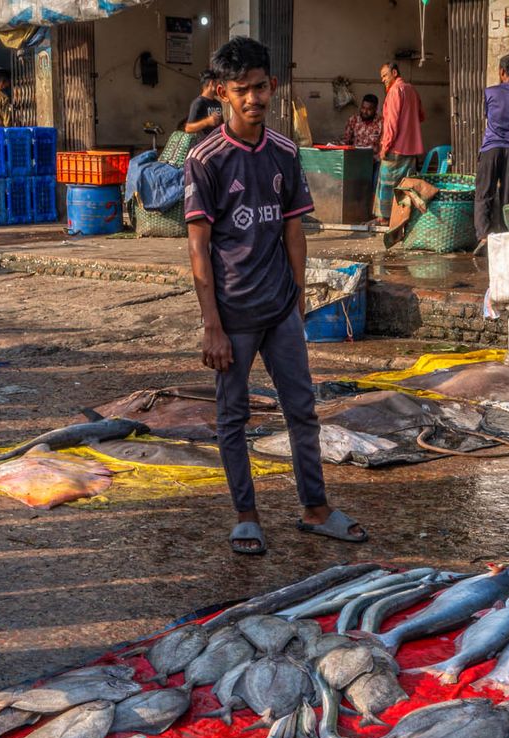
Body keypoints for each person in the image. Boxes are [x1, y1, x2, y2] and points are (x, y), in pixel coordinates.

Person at [185, 37, 366, 556]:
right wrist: (212, 325)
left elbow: (294, 231)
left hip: (281, 308)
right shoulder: (205, 159)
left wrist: (298, 299)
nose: (253, 99)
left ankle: (315, 508)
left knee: (302, 409)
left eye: (260, 87)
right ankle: (246, 515)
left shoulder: (286, 152)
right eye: (241, 90)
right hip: (233, 316)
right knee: (232, 418)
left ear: (273, 86)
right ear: (222, 93)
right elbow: (198, 248)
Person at [473, 54, 509, 250]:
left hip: (490, 149)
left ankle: (484, 236)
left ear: (501, 71)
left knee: (484, 193)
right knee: (508, 195)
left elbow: (487, 115)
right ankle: (506, 235)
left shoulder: (489, 92)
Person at [375, 60, 424, 223]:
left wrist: (385, 146)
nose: (383, 80)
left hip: (395, 148)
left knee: (387, 184)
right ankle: (403, 217)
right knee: (405, 185)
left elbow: (392, 123)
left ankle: (385, 218)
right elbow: (421, 115)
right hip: (411, 148)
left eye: (385, 76)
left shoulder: (395, 91)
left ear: (394, 73)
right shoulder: (411, 90)